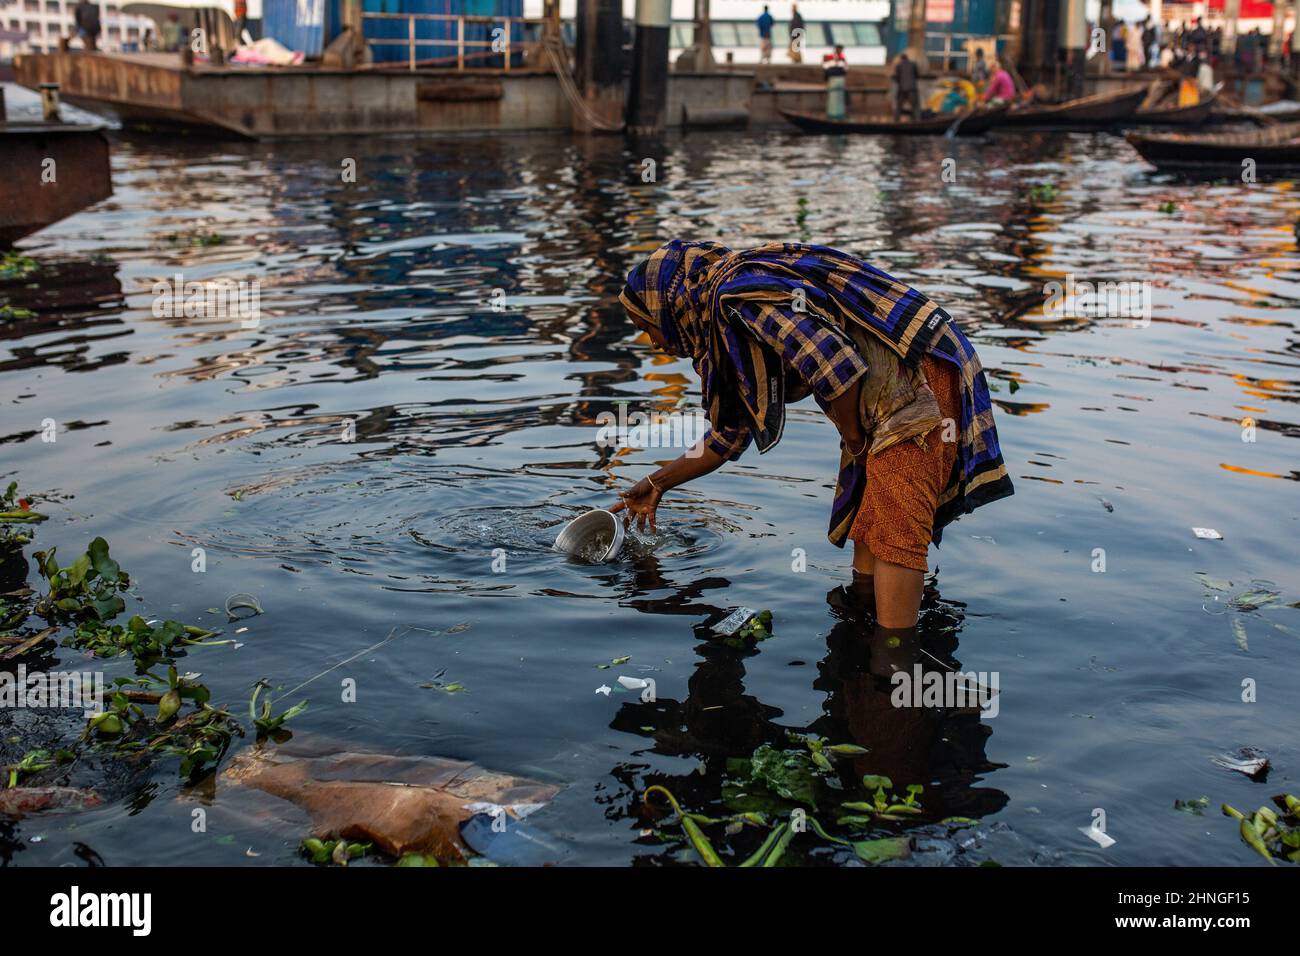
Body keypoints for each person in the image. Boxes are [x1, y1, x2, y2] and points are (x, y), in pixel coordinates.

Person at [612, 240, 1014, 634]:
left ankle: (894, 658)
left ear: (666, 307)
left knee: (896, 529)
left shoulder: (740, 297)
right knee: (868, 516)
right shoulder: (724, 315)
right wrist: (655, 484)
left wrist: (856, 439)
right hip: (877, 388)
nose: (654, 342)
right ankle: (863, 628)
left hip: (917, 371)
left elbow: (834, 363)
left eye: (646, 327)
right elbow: (727, 435)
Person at [891, 50, 919, 121]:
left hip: (902, 89)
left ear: (901, 59)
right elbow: (917, 75)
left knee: (899, 106)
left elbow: (897, 77)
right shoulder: (913, 64)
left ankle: (896, 121)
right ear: (907, 58)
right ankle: (916, 121)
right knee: (915, 106)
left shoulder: (899, 65)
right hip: (912, 88)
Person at [823, 44, 848, 119]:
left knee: (839, 98)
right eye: (839, 49)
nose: (840, 51)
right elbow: (826, 69)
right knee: (833, 98)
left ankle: (839, 114)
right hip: (833, 79)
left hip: (839, 79)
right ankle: (832, 114)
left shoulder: (842, 58)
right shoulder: (830, 57)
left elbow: (845, 69)